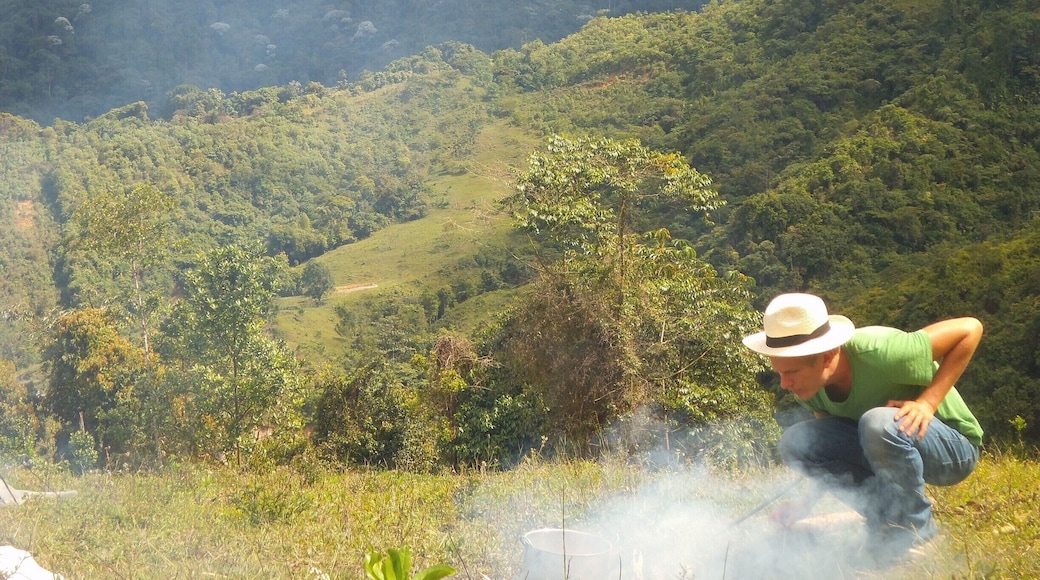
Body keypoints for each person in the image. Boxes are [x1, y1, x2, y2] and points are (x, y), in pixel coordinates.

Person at [741, 292, 983, 559]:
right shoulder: (814, 388)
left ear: (827, 356)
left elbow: (970, 329)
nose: (785, 384)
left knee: (878, 423)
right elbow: (831, 454)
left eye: (793, 372)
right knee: (799, 442)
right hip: (887, 447)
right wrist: (805, 504)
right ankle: (890, 519)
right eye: (780, 372)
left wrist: (927, 403)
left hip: (953, 449)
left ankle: (917, 533)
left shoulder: (882, 353)